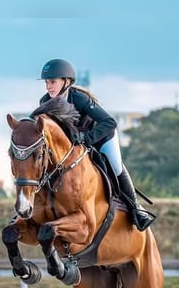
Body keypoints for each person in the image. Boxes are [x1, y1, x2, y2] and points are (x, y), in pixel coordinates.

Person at [38, 58, 155, 231]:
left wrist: (86, 137)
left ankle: (137, 210)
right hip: (75, 146)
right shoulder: (45, 102)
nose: (48, 86)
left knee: (115, 166)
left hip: (101, 138)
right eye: (47, 82)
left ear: (67, 81)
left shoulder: (79, 98)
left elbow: (109, 122)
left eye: (52, 81)